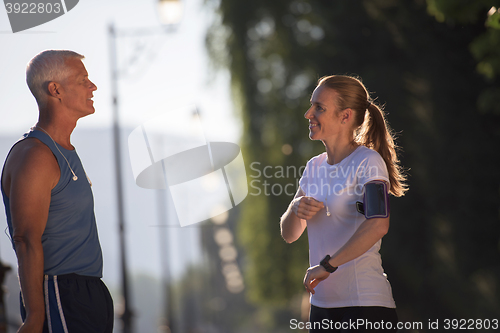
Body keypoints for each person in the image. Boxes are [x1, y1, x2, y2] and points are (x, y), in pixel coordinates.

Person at [280, 75, 408, 332]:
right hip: (321, 309)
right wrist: (295, 210)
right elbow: (289, 233)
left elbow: (378, 225)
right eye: (311, 105)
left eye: (319, 107)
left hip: (365, 307)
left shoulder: (368, 162)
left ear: (345, 116)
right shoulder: (313, 167)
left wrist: (328, 265)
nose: (308, 114)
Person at [1, 50, 114, 333]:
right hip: (60, 295)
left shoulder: (64, 151)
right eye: (83, 80)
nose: (93, 87)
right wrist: (35, 317)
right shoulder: (36, 155)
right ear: (56, 89)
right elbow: (25, 239)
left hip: (88, 293)